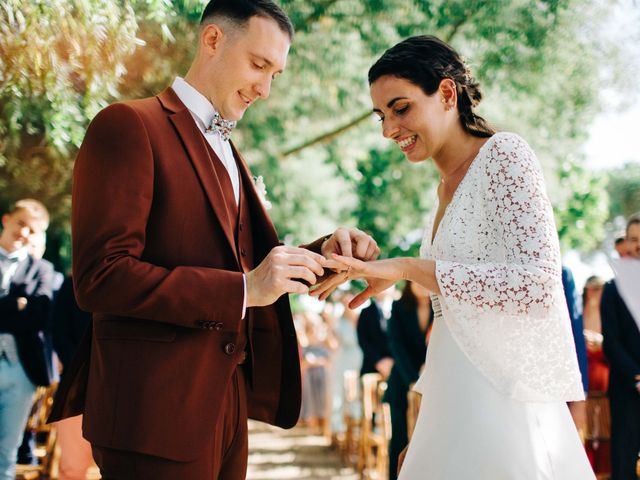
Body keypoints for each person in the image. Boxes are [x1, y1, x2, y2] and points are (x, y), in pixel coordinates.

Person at [48, 1, 378, 479]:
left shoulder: (228, 147)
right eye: (258, 65)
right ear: (212, 40)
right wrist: (243, 291)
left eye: (275, 74)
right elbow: (101, 276)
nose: (264, 89)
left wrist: (320, 255)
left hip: (226, 403)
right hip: (152, 415)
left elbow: (239, 260)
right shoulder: (128, 125)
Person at [315, 35, 594, 478]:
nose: (389, 129)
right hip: (451, 401)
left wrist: (407, 268)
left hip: (498, 402)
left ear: (447, 93)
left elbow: (539, 285)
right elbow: (455, 322)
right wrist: (428, 428)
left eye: (400, 108)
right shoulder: (441, 190)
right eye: (381, 116)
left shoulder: (505, 155)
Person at [0, 199, 55, 480]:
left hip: (21, 370)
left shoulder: (42, 270)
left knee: (7, 451)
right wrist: (16, 304)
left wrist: (10, 305)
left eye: (32, 230)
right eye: (21, 223)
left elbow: (40, 315)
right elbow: (25, 313)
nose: (24, 233)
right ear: (7, 220)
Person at [601, 214, 640, 480]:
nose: (637, 245)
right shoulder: (612, 289)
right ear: (625, 243)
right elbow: (611, 341)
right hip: (627, 389)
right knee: (624, 465)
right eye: (633, 239)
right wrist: (637, 376)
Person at [384, 281, 430, 480]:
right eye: (417, 282)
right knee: (400, 438)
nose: (422, 286)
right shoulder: (399, 307)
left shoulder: (441, 310)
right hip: (402, 380)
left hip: (431, 382)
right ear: (409, 285)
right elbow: (396, 346)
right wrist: (412, 378)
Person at [52, 275, 94, 480]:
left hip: (123, 387)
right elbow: (59, 331)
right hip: (77, 384)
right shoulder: (73, 283)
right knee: (72, 467)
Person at [356, 292, 393, 378]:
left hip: (398, 366)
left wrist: (395, 361)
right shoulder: (365, 312)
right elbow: (363, 340)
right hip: (371, 366)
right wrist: (378, 361)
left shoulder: (400, 310)